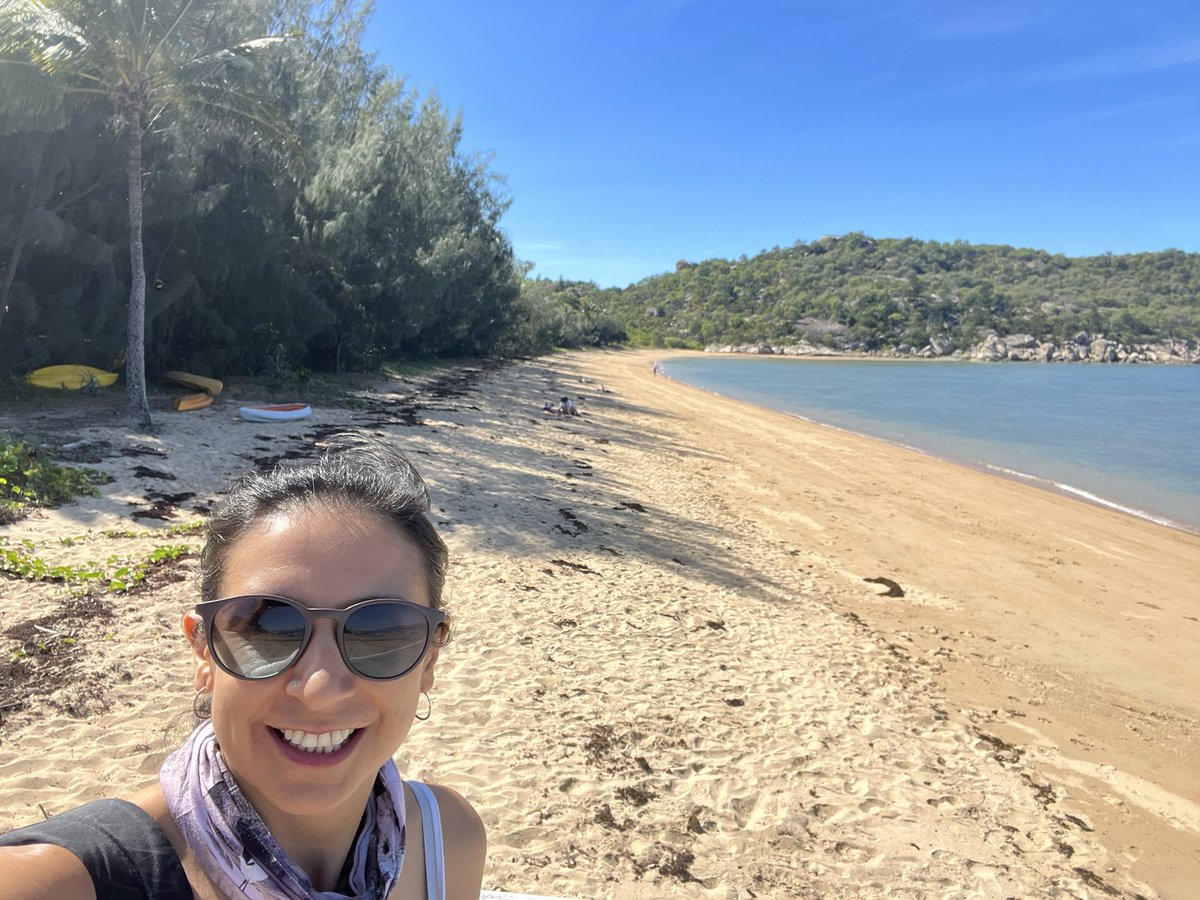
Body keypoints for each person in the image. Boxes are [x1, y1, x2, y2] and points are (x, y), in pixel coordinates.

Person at [0, 435, 486, 899]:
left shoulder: (449, 840)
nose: (318, 688)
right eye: (267, 628)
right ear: (203, 652)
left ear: (429, 661)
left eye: (378, 630)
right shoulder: (67, 880)